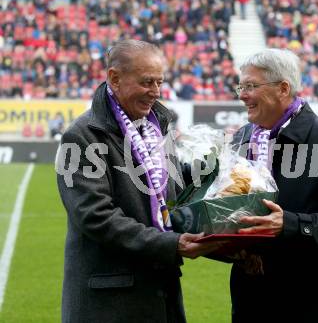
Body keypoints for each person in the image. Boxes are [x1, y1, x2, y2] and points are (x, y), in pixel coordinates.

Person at [56, 40, 223, 323]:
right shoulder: (82, 136)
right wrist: (171, 245)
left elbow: (166, 188)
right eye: (147, 82)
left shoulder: (157, 124)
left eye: (159, 82)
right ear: (115, 78)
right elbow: (96, 216)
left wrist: (214, 170)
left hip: (161, 293)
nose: (156, 92)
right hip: (110, 302)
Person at [225, 49, 318, 323]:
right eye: (241, 86)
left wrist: (288, 225)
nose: (242, 94)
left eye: (251, 86)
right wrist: (233, 245)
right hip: (249, 301)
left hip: (308, 303)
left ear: (283, 88)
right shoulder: (240, 139)